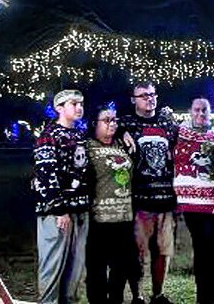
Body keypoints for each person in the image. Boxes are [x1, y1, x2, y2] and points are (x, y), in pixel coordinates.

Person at [118, 82, 180, 304]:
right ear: (133, 99)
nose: (149, 99)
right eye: (143, 95)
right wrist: (120, 130)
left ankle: (158, 294)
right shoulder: (125, 122)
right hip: (139, 202)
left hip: (166, 200)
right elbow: (95, 125)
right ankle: (137, 296)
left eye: (152, 94)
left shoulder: (168, 124)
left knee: (163, 251)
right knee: (138, 253)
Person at [173, 98, 214, 304]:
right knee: (200, 250)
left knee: (213, 249)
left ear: (210, 112)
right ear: (190, 111)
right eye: (197, 110)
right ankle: (203, 297)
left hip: (212, 204)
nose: (200, 114)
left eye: (204, 110)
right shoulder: (180, 133)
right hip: (189, 203)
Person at [33, 90, 92, 304]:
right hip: (57, 213)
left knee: (75, 269)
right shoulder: (48, 136)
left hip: (80, 210)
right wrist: (59, 209)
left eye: (81, 104)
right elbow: (46, 174)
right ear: (59, 107)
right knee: (53, 265)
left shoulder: (80, 136)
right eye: (73, 103)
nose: (79, 108)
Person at [86, 104, 141, 304]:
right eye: (106, 120)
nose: (112, 124)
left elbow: (136, 119)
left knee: (121, 268)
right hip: (99, 219)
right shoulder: (87, 146)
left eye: (114, 120)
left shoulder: (121, 143)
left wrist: (124, 130)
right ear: (94, 123)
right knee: (97, 269)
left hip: (124, 217)